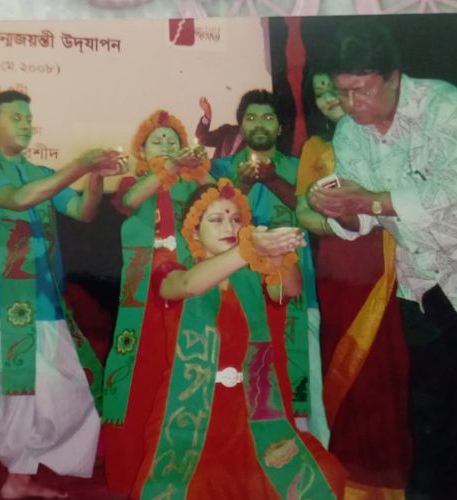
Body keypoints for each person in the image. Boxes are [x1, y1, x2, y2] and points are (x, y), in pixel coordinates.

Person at [308, 20, 457, 500]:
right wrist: (340, 210)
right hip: (424, 279)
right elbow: (364, 219)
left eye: (361, 90)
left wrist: (368, 200)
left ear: (393, 77)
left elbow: (453, 187)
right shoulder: (349, 134)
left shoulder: (445, 104)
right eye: (342, 92)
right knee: (430, 405)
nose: (350, 104)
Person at [0, 90, 125, 499]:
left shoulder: (41, 172)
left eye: (29, 118)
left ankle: (19, 478)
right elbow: (18, 199)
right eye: (16, 117)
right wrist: (80, 164)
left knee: (45, 394)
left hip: (40, 302)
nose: (26, 124)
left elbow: (82, 211)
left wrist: (96, 176)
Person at [131, 179, 345, 499]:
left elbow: (289, 289)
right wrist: (249, 249)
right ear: (194, 232)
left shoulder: (252, 274)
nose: (229, 227)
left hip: (255, 413)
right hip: (191, 416)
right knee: (193, 489)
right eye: (216, 220)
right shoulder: (171, 270)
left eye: (235, 219)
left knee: (321, 477)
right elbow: (188, 285)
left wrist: (278, 255)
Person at [296, 68, 411, 497]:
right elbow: (302, 212)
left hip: (389, 260)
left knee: (390, 362)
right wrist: (339, 220)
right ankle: (353, 470)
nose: (330, 97)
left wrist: (369, 212)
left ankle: (393, 469)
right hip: (340, 267)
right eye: (320, 91)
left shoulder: (385, 138)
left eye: (336, 88)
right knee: (344, 361)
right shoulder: (315, 147)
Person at [102, 109, 211, 495]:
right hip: (143, 294)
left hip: (189, 288)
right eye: (157, 140)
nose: (166, 145)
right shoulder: (134, 182)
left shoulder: (193, 185)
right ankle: (131, 472)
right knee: (141, 372)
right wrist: (169, 170)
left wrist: (199, 171)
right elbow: (132, 200)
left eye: (172, 140)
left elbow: (220, 202)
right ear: (142, 150)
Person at [211, 89, 328, 444]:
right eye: (251, 118)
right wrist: (243, 184)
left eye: (267, 118)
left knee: (302, 374)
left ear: (280, 127)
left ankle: (308, 450)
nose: (258, 124)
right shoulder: (220, 169)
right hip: (237, 294)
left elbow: (316, 217)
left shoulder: (299, 168)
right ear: (240, 125)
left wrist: (273, 179)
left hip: (296, 292)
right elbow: (209, 222)